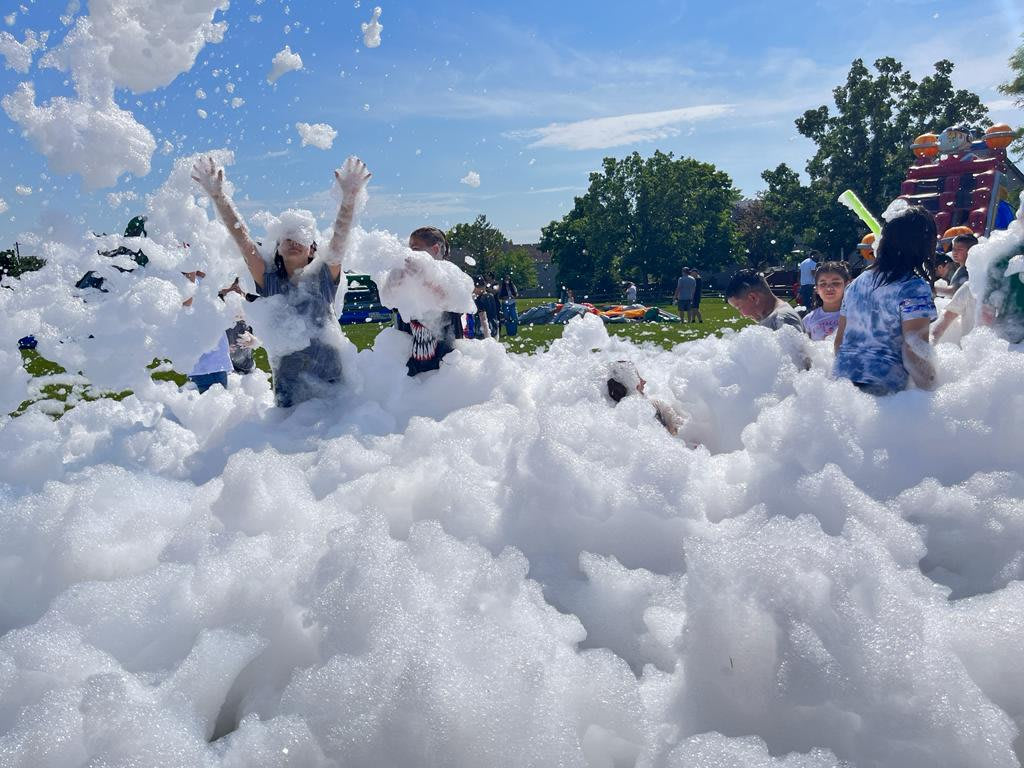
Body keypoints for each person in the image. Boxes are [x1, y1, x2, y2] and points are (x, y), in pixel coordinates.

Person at [191, 154, 371, 406]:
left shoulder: (322, 278)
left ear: (312, 250)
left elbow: (340, 241)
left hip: (331, 381)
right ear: (277, 248)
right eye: (287, 238)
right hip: (289, 386)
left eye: (300, 238)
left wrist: (350, 198)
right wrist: (219, 197)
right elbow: (242, 239)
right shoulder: (269, 281)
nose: (293, 241)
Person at [833, 205, 937, 395]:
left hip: (842, 386)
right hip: (884, 390)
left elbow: (839, 342)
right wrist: (934, 391)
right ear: (922, 244)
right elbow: (913, 350)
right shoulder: (913, 287)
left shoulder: (857, 283)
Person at [389, 227, 468, 376]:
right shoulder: (410, 281)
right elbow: (391, 302)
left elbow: (453, 301)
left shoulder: (451, 275)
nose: (410, 254)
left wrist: (424, 279)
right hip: (413, 369)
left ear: (436, 249)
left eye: (415, 249)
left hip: (446, 367)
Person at [182, 270, 233, 394]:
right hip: (205, 364)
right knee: (215, 406)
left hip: (215, 359)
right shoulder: (184, 279)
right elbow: (186, 305)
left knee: (218, 404)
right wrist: (191, 269)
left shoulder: (196, 276)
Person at [606, 360, 685, 436]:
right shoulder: (655, 405)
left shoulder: (612, 417)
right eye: (638, 377)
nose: (644, 381)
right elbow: (683, 429)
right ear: (633, 384)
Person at [725, 270, 804, 332]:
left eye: (739, 307)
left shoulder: (782, 319)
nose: (743, 315)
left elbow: (797, 352)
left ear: (753, 298)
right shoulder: (771, 318)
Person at [802, 262, 850, 341]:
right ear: (816, 289)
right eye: (823, 284)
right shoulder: (809, 320)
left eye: (835, 283)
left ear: (846, 286)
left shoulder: (855, 316)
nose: (829, 288)